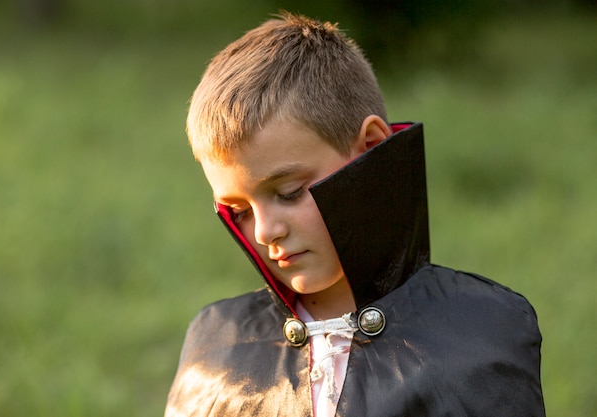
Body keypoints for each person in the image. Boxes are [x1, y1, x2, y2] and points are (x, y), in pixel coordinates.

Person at [165, 12, 545, 417]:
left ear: (372, 147)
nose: (265, 231)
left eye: (290, 192)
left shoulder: (482, 334)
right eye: (238, 210)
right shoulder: (215, 352)